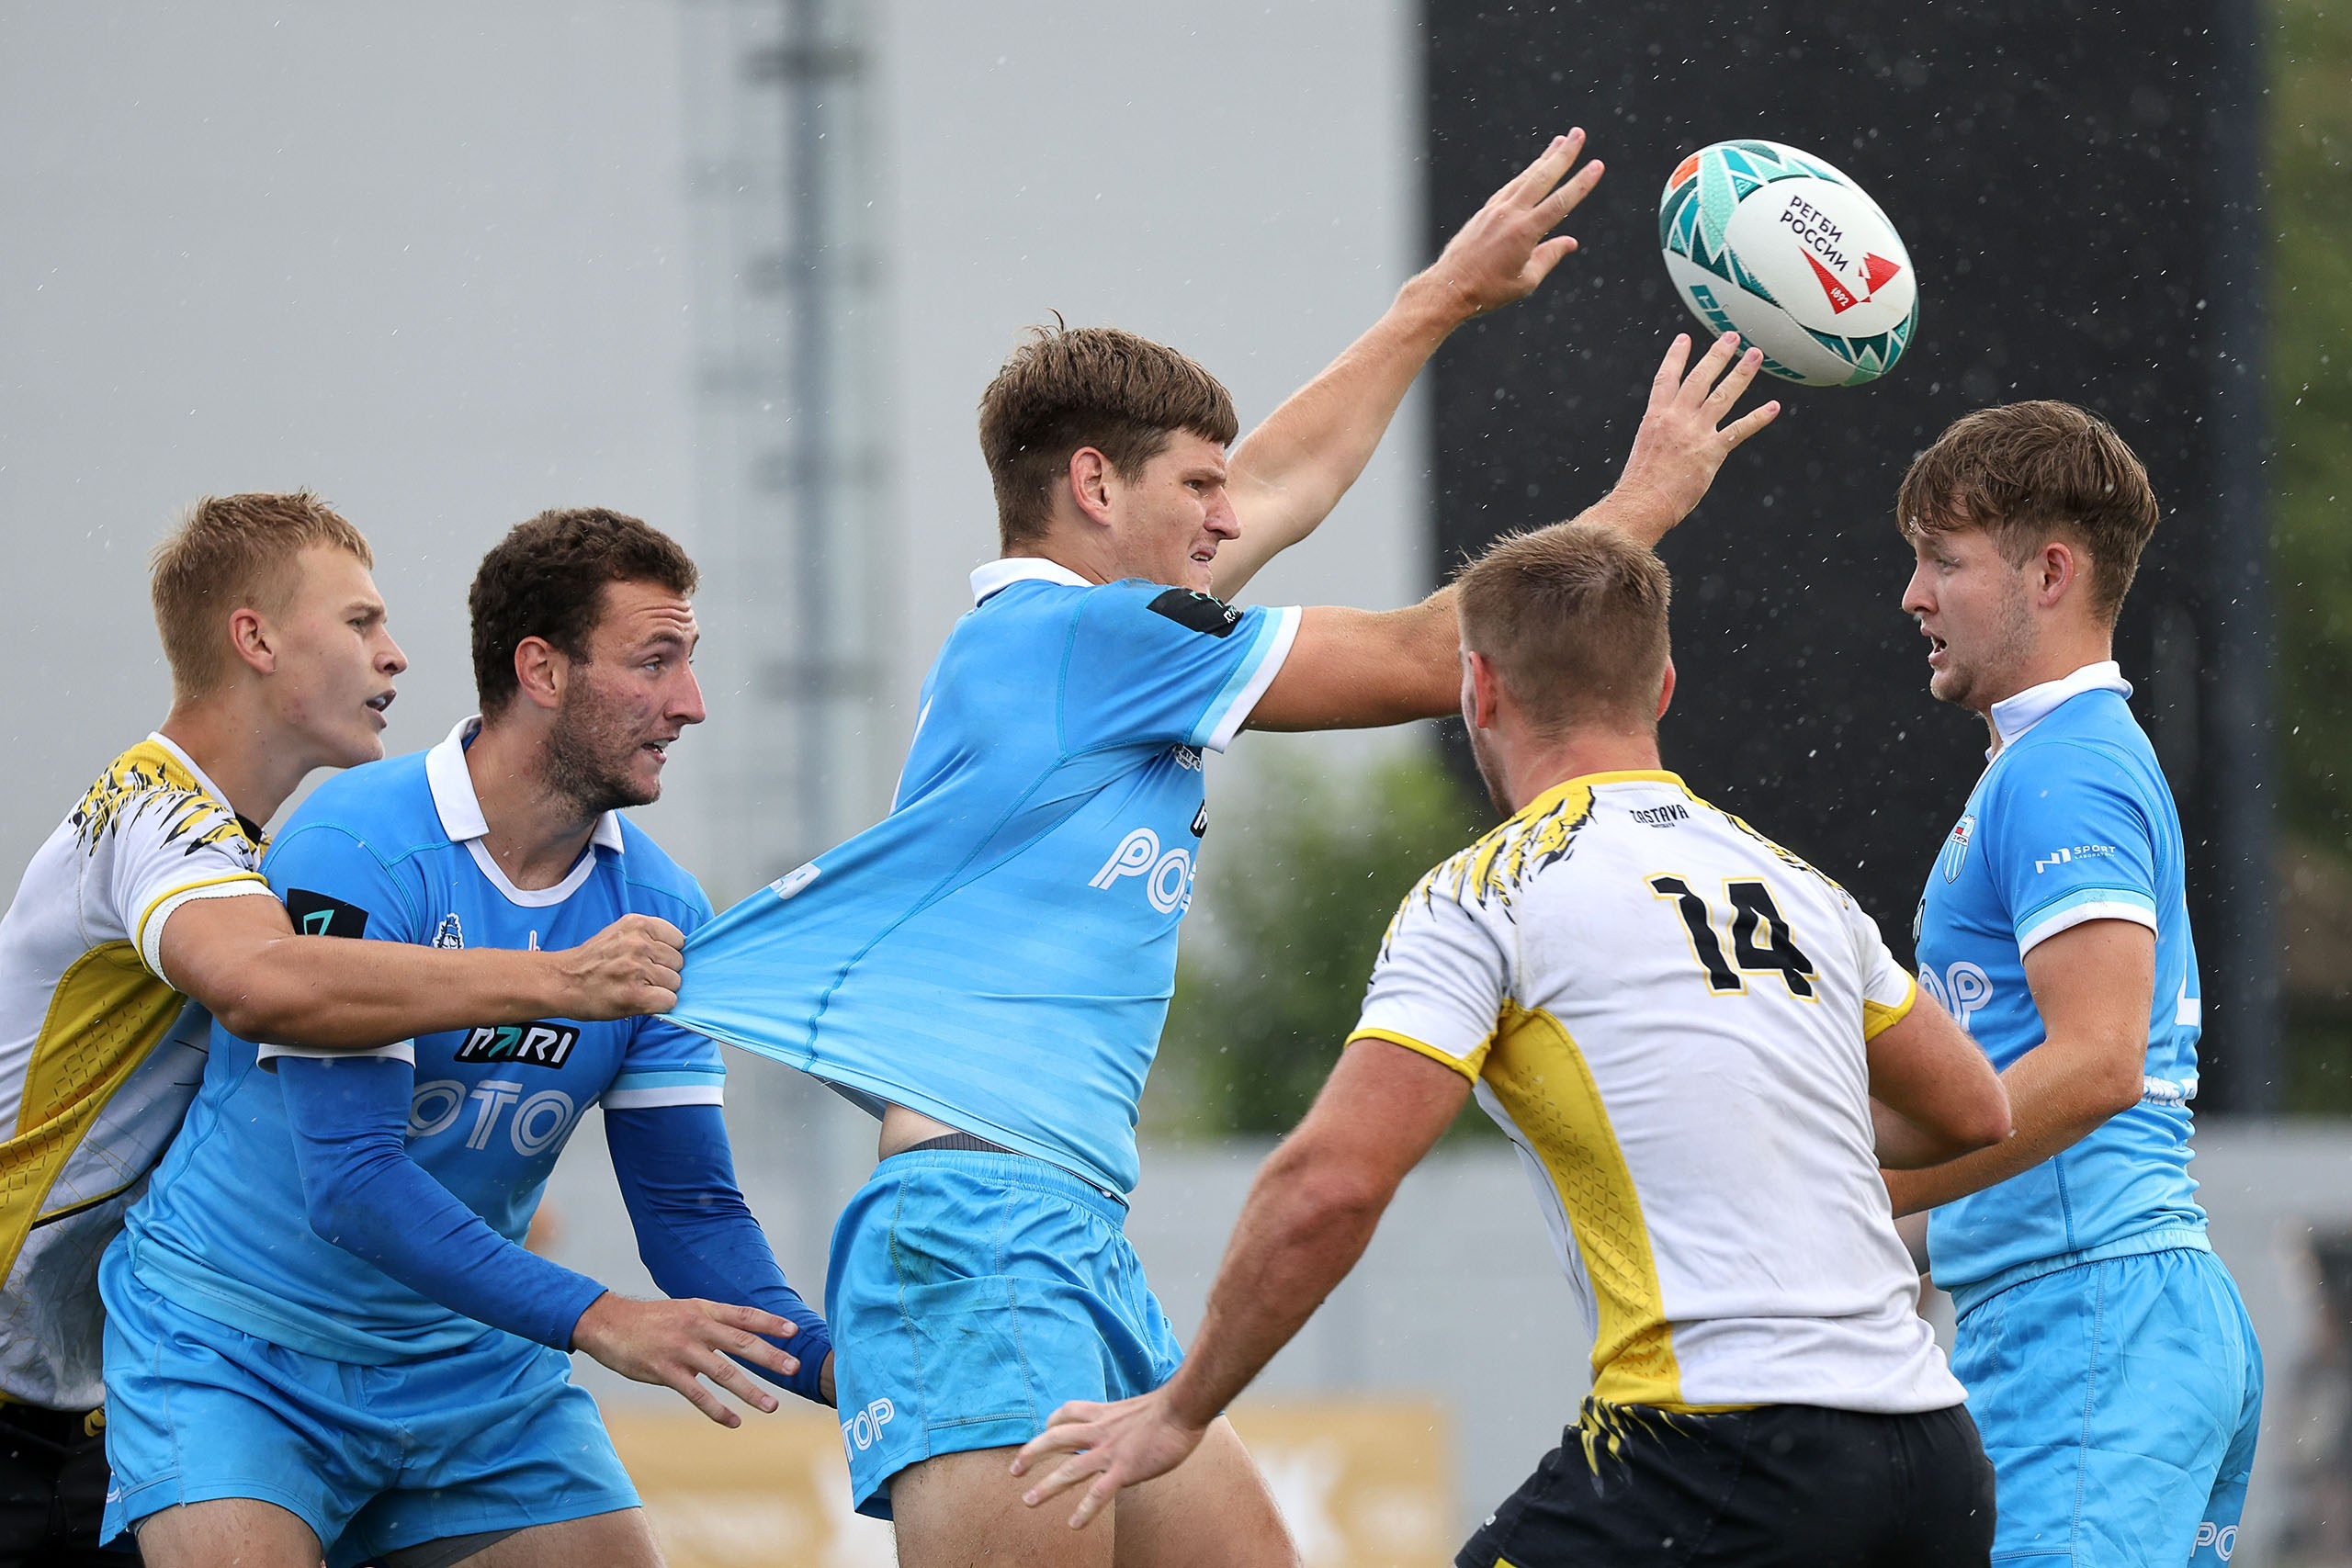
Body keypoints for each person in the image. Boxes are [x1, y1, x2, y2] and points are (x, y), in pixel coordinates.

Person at [667, 129, 1783, 1565]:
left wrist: (1433, 299)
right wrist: (1646, 503)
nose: (1224, 513)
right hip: (978, 1223)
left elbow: (1284, 483)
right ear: (1091, 485)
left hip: (1060, 1221)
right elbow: (1431, 650)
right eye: (1193, 486)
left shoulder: (1085, 638)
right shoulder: (1091, 636)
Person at [1011, 519, 2011, 1568]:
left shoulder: (1484, 897)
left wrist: (1180, 1408)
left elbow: (1330, 1184)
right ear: (1661, 686)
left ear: (1476, 690)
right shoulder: (1797, 886)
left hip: (1721, 1446)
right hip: (1930, 1457)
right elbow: (1973, 1111)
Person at [98, 509, 833, 1568]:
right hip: (240, 1350)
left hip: (473, 1372)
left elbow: (689, 1212)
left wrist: (833, 1367)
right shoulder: (358, 841)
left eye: (690, 662)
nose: (692, 704)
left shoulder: (662, 906)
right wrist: (598, 1318)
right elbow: (352, 1183)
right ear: (541, 668)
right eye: (655, 662)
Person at [0, 492, 683, 1567]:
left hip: (89, 1386)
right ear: (256, 638)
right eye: (360, 622)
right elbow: (265, 987)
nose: (397, 656)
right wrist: (556, 979)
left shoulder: (260, 844)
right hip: (18, 1397)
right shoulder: (159, 817)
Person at [1883, 402, 2263, 1565]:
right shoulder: (2051, 763)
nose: (1913, 595)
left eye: (1943, 560)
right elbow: (1988, 1068)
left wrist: (1841, 1186)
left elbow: (2096, 1066)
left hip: (2088, 1319)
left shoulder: (2065, 770)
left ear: (2050, 573)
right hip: (2103, 1317)